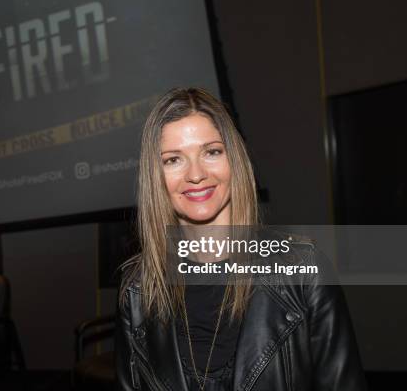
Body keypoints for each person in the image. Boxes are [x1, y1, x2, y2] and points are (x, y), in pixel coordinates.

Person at [115, 87, 367, 390]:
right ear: (155, 176)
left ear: (233, 159)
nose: (196, 174)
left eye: (212, 152)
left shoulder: (304, 271)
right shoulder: (137, 289)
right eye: (173, 160)